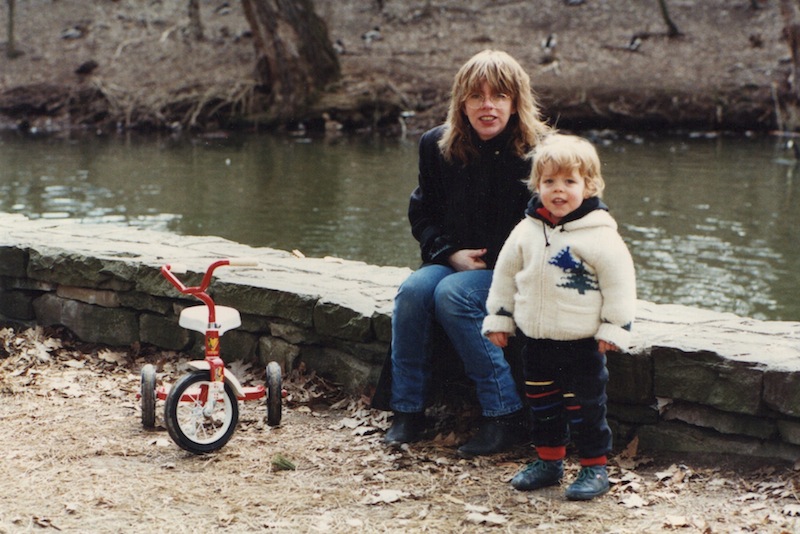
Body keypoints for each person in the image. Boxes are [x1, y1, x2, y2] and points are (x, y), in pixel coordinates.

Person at [381, 49, 552, 457]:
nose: (487, 106)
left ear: (516, 102)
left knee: (453, 294)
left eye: (499, 97)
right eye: (476, 96)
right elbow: (422, 214)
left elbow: (571, 221)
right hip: (455, 262)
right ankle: (407, 410)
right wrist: (450, 252)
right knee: (415, 291)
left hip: (522, 273)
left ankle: (504, 415)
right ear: (462, 102)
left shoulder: (543, 151)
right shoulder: (436, 146)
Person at [482, 133, 636, 500]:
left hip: (581, 344)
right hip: (535, 341)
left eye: (570, 181)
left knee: (585, 409)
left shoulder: (600, 236)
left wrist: (614, 327)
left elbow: (620, 283)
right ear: (537, 185)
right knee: (543, 406)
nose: (559, 190)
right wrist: (500, 319)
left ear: (589, 185)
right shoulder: (525, 231)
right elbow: (505, 277)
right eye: (549, 181)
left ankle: (594, 468)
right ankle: (549, 463)